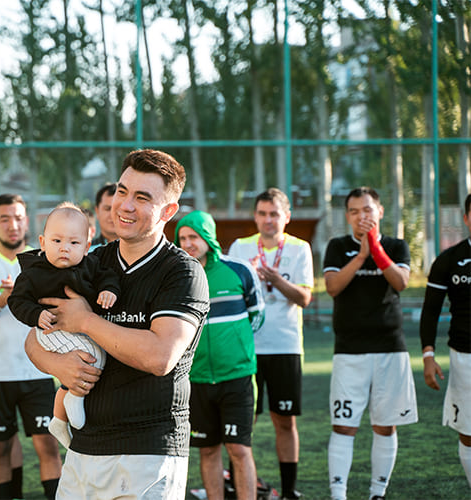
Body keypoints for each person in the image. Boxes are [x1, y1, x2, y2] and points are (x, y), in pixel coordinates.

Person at [25, 149, 210, 499]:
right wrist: (57, 364)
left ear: (168, 211)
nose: (124, 205)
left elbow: (159, 356)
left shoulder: (182, 272)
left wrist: (86, 321)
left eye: (142, 198)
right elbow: (35, 338)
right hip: (84, 447)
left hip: (148, 451)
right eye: (122, 191)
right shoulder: (90, 261)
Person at [0, 194, 61, 500]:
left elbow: (60, 310)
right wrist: (3, 298)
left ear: (26, 221)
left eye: (18, 217)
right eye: (4, 219)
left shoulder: (44, 260)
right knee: (0, 448)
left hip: (40, 370)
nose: (12, 225)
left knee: (48, 444)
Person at [323, 186, 417, 500]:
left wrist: (375, 247)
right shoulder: (337, 246)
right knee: (344, 425)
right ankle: (338, 494)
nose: (361, 216)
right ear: (347, 216)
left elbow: (401, 282)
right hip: (349, 351)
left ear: (379, 211)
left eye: (367, 209)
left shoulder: (396, 246)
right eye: (354, 211)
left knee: (385, 425)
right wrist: (362, 255)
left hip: (390, 349)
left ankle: (378, 492)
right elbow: (333, 286)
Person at [8, 203, 120, 448]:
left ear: (87, 247)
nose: (64, 248)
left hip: (81, 329)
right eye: (56, 241)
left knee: (95, 355)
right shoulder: (34, 273)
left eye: (74, 243)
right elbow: (16, 301)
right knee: (92, 357)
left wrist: (108, 290)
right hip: (52, 329)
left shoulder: (91, 265)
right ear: (43, 242)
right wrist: (36, 314)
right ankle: (74, 400)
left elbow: (108, 277)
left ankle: (59, 420)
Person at [228, 187, 314, 500]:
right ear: (255, 216)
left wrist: (277, 280)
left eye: (274, 214)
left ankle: (289, 490)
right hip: (247, 347)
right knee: (242, 420)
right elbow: (230, 293)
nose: (268, 220)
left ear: (286, 217)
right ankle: (237, 486)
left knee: (285, 421)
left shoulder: (300, 248)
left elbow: (304, 298)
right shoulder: (240, 247)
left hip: (285, 347)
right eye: (262, 214)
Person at [176, 210, 265, 500]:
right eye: (182, 238)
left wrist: (234, 345)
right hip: (197, 378)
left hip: (236, 376)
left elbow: (257, 315)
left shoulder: (239, 270)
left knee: (239, 449)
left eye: (194, 236)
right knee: (208, 450)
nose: (188, 243)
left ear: (208, 237)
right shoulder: (178, 277)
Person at [420, 193, 471, 487]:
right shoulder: (449, 260)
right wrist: (428, 355)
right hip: (464, 357)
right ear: (466, 218)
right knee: (468, 433)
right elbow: (430, 311)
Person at [90, 183, 117, 248]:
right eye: (108, 209)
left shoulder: (139, 250)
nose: (112, 215)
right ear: (97, 211)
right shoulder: (86, 251)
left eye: (117, 209)